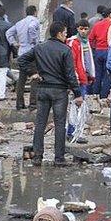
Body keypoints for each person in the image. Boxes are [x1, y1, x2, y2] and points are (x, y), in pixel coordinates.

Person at [18, 22, 83, 167]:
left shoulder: (39, 47)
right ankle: (59, 159)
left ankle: (37, 157)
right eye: (65, 33)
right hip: (59, 92)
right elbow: (70, 75)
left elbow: (21, 60)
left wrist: (33, 73)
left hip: (42, 90)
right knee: (60, 124)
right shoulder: (65, 50)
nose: (66, 35)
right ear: (59, 34)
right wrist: (77, 93)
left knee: (40, 123)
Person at [66, 19, 94, 143]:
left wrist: (90, 75)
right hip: (77, 79)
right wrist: (75, 78)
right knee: (75, 106)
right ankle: (71, 133)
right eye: (81, 28)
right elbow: (72, 62)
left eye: (85, 28)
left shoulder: (85, 42)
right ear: (77, 29)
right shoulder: (73, 42)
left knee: (80, 107)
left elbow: (87, 61)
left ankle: (77, 132)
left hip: (84, 78)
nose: (83, 31)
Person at [7, 5, 41, 110]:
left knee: (22, 79)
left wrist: (14, 43)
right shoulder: (35, 21)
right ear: (35, 12)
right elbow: (31, 28)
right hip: (31, 53)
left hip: (21, 53)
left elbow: (8, 33)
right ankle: (33, 104)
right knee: (35, 77)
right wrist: (34, 41)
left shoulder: (19, 23)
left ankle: (19, 103)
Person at [88, 6, 111, 99]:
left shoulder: (97, 25)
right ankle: (103, 97)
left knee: (97, 74)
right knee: (107, 76)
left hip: (98, 52)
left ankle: (95, 95)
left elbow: (90, 39)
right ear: (109, 15)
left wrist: (94, 48)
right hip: (108, 51)